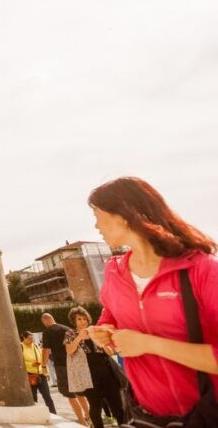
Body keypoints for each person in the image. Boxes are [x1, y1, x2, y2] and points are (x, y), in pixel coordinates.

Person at [87, 177, 218, 423]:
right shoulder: (113, 272)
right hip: (145, 416)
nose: (96, 225)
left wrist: (149, 344)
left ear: (123, 216)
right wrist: (103, 331)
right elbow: (109, 317)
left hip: (206, 414)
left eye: (98, 215)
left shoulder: (201, 269)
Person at [65, 306, 124, 428]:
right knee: (95, 406)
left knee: (117, 405)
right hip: (88, 375)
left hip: (107, 373)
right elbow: (69, 351)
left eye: (85, 319)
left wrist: (101, 343)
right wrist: (79, 337)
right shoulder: (70, 333)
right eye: (79, 319)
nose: (83, 321)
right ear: (74, 321)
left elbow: (111, 352)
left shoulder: (95, 331)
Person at [41, 312, 89, 424]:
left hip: (61, 365)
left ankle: (82, 421)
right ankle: (89, 416)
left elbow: (46, 350)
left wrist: (43, 365)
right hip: (74, 363)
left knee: (70, 395)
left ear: (45, 321)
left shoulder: (47, 331)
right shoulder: (66, 328)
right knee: (80, 392)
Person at [20, 331, 56, 413]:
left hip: (40, 374)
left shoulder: (36, 346)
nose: (31, 340)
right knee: (33, 397)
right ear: (24, 338)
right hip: (29, 375)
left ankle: (53, 413)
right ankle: (35, 413)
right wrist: (31, 364)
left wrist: (46, 372)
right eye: (29, 339)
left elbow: (42, 359)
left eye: (32, 338)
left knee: (47, 395)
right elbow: (19, 362)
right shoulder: (20, 347)